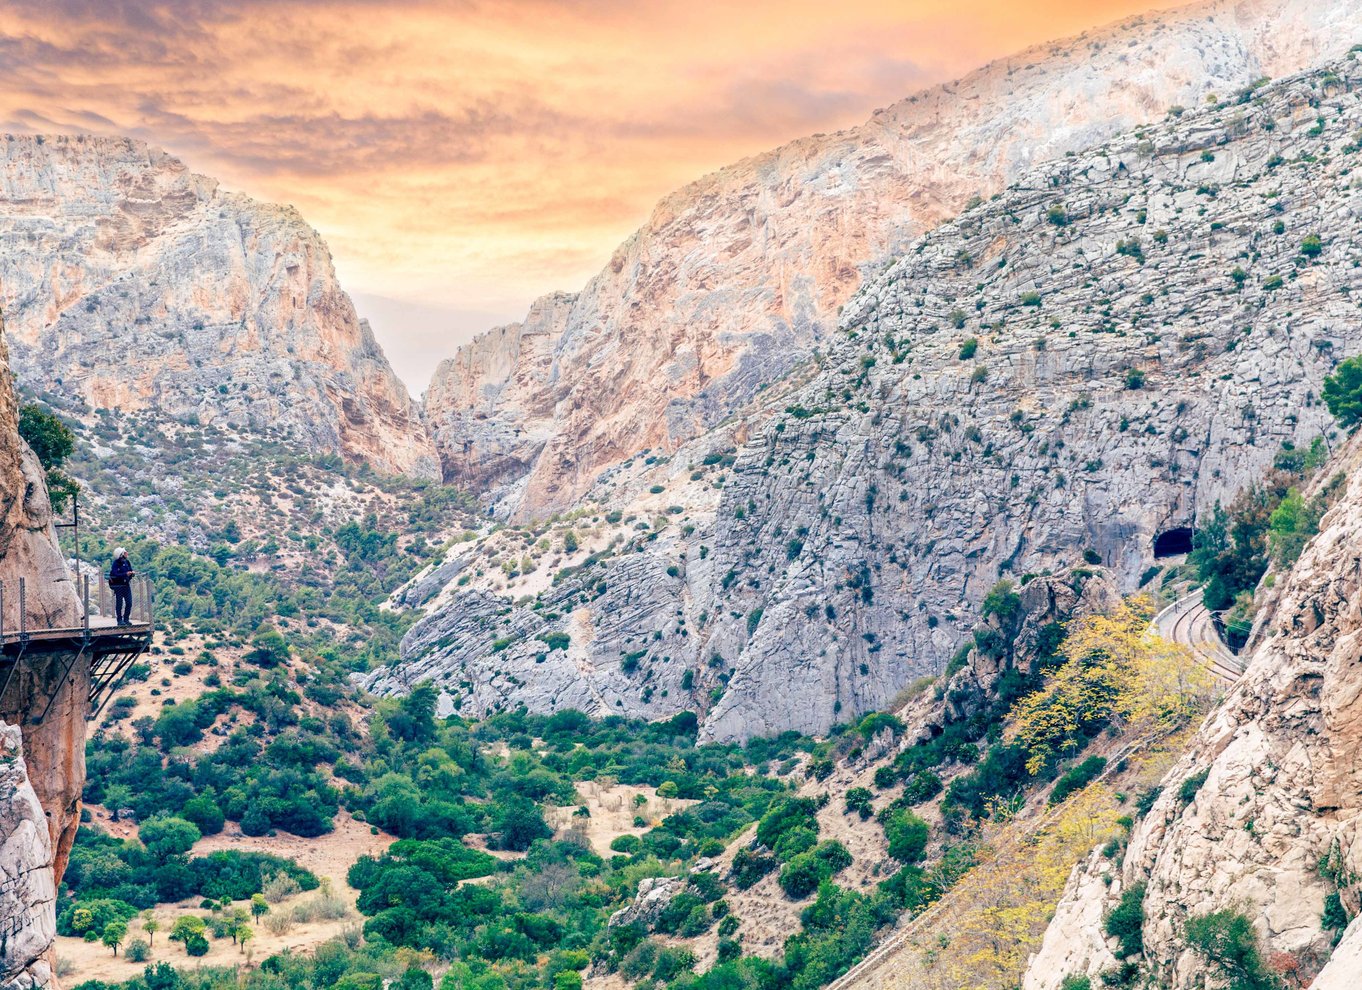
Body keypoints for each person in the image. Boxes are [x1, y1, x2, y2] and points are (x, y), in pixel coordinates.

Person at [109, 548, 134, 625]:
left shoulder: (127, 562)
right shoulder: (116, 563)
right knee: (119, 603)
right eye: (125, 552)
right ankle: (119, 620)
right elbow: (115, 574)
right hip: (118, 586)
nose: (127, 553)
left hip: (126, 585)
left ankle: (126, 619)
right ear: (121, 554)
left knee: (129, 602)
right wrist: (125, 574)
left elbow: (130, 570)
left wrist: (131, 574)